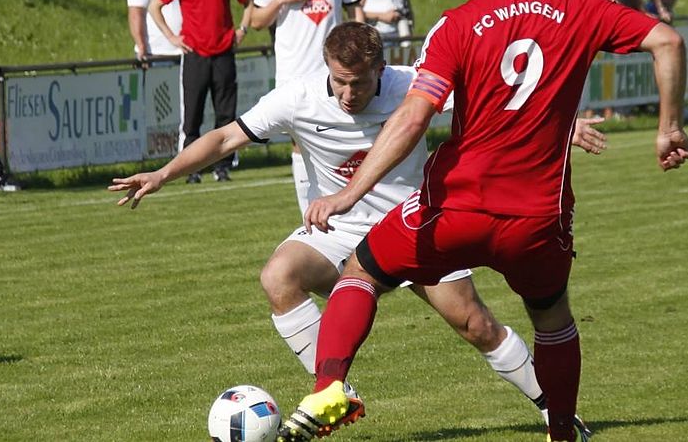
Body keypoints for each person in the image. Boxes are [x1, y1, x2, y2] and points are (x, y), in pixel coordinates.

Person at [278, 0, 688, 442]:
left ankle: (329, 386)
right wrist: (669, 128)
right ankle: (562, 431)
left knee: (361, 272)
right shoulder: (578, 8)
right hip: (538, 216)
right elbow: (668, 41)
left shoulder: (456, 25)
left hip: (457, 208)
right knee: (552, 318)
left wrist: (350, 193)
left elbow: (415, 115)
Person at [109, 22, 606, 438]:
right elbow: (223, 137)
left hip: (415, 225)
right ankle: (332, 391)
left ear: (381, 70)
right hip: (339, 228)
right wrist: (162, 174)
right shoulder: (299, 97)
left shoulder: (413, 86)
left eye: (360, 84)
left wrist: (564, 129)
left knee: (476, 325)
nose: (349, 94)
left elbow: (499, 108)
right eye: (340, 81)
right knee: (279, 276)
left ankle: (554, 410)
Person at [250, 0, 365, 217]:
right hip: (293, 72)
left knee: (346, 139)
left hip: (334, 73)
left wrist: (362, 46)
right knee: (300, 144)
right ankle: (309, 215)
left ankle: (349, 210)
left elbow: (354, 8)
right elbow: (257, 20)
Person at [149, 0, 253, 184]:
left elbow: (248, 2)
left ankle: (223, 167)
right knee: (192, 116)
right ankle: (191, 169)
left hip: (224, 54)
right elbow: (155, 6)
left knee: (225, 116)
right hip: (195, 55)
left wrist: (242, 30)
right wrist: (172, 37)